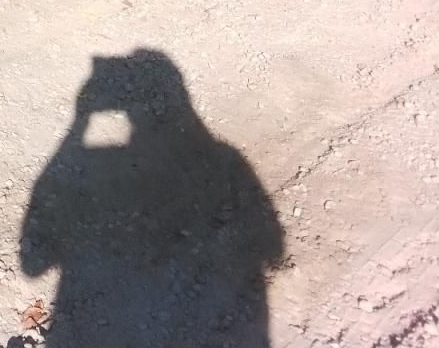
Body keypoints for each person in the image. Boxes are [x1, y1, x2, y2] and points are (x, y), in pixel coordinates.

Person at [20, 49, 283, 348]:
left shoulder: (222, 160)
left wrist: (79, 125)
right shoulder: (226, 160)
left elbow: (33, 264)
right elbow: (273, 249)